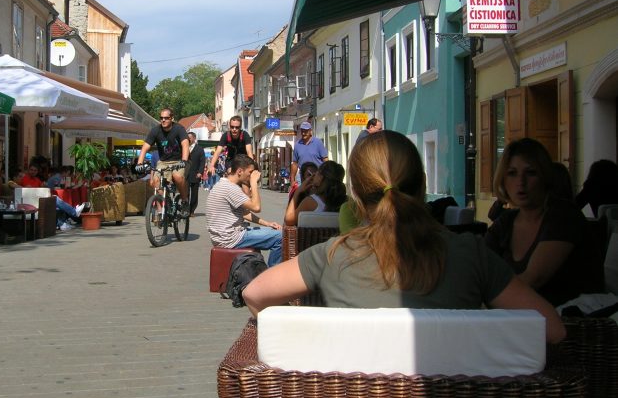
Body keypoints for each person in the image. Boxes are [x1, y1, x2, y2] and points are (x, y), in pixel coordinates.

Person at [241, 131, 566, 344]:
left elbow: (255, 294)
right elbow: (552, 329)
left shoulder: (332, 255)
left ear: (355, 196)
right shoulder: (471, 253)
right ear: (423, 185)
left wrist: (310, 342)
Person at [484, 138, 604, 306]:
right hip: (523, 321)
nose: (521, 182)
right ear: (503, 179)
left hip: (574, 325)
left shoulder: (563, 216)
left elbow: (534, 278)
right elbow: (479, 267)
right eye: (512, 173)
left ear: (545, 176)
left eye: (531, 172)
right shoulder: (505, 223)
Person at [206, 154, 282, 266]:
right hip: (231, 239)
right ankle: (272, 276)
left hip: (224, 237)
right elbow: (256, 207)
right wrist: (254, 184)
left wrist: (267, 223)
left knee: (275, 232)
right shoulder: (230, 188)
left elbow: (245, 213)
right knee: (281, 237)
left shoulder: (223, 184)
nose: (252, 175)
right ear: (240, 171)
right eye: (250, 172)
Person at [136, 107, 190, 216]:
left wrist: (184, 160)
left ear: (172, 118)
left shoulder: (179, 129)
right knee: (155, 181)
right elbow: (145, 147)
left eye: (166, 118)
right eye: (161, 118)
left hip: (178, 160)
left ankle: (184, 201)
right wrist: (139, 163)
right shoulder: (155, 130)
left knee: (177, 177)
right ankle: (164, 204)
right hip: (163, 161)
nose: (163, 120)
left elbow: (185, 144)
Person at [283, 160, 347, 226]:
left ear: (320, 178)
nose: (313, 176)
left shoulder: (310, 201)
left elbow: (288, 220)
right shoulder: (347, 201)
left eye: (316, 173)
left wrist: (297, 192)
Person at [185, 132, 206, 215]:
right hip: (185, 174)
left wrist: (200, 172)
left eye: (190, 137)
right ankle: (186, 209)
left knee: (194, 194)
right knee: (185, 193)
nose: (188, 139)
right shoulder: (184, 148)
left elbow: (202, 161)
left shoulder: (199, 149)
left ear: (194, 138)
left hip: (195, 174)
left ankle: (192, 210)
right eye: (187, 137)